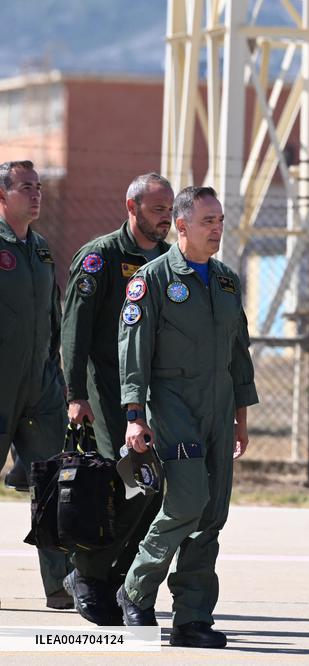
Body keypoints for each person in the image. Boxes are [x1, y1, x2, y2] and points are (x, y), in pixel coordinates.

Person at [115, 186, 257, 649]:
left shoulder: (227, 281)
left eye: (219, 220)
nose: (217, 228)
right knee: (187, 502)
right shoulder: (152, 281)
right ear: (181, 226)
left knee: (213, 512)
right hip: (171, 404)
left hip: (217, 406)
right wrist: (135, 415)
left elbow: (239, 353)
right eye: (207, 221)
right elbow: (132, 351)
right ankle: (136, 590)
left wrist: (241, 414)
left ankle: (192, 617)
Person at [60, 173, 174, 625]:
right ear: (132, 208)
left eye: (169, 210)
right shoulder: (100, 258)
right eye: (157, 209)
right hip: (106, 389)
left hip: (152, 394)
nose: (165, 218)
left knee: (155, 489)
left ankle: (118, 577)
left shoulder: (169, 260)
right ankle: (86, 575)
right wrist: (74, 394)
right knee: (126, 481)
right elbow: (75, 332)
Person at [0, 159, 74, 610]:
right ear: (2, 196)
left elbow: (53, 320)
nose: (36, 194)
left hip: (41, 390)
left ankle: (61, 585)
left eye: (38, 187)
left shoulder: (42, 250)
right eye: (25, 187)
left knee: (52, 485)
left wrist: (59, 382)